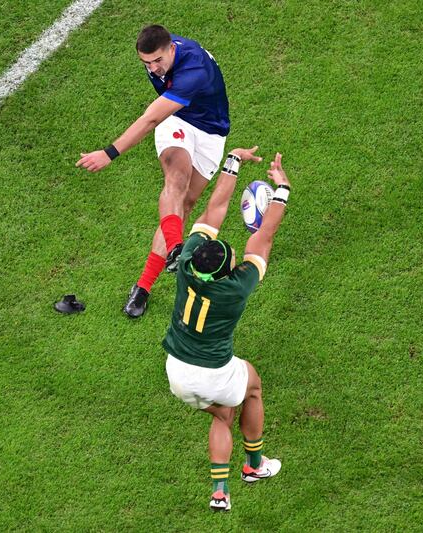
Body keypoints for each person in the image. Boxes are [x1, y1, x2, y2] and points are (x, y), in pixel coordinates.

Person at [162, 147, 292, 512]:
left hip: (176, 370)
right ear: (227, 270)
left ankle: (220, 492)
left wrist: (231, 162)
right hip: (211, 372)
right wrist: (281, 191)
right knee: (252, 386)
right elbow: (263, 238)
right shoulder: (235, 288)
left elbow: (212, 212)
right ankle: (254, 466)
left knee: (222, 414)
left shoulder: (188, 262)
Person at [76, 24, 230, 318]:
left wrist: (108, 154)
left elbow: (149, 119)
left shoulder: (193, 69)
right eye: (146, 63)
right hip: (178, 119)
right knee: (176, 179)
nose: (154, 68)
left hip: (211, 132)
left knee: (185, 204)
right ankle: (151, 278)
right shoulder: (159, 58)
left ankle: (161, 264)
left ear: (172, 48)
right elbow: (159, 117)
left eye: (158, 60)